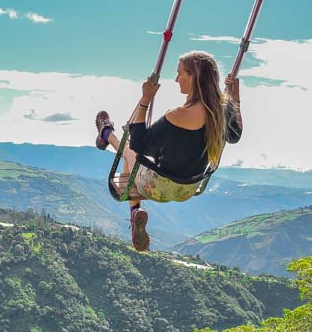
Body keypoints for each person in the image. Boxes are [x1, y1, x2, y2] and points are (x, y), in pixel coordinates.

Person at [94, 51, 243, 251]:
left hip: (157, 187)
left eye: (180, 73)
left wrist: (145, 100)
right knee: (134, 155)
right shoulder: (221, 114)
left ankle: (106, 134)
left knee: (129, 150)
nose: (176, 79)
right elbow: (235, 135)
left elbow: (139, 144)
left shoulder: (177, 115)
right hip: (188, 189)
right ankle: (106, 134)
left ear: (194, 77)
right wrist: (235, 97)